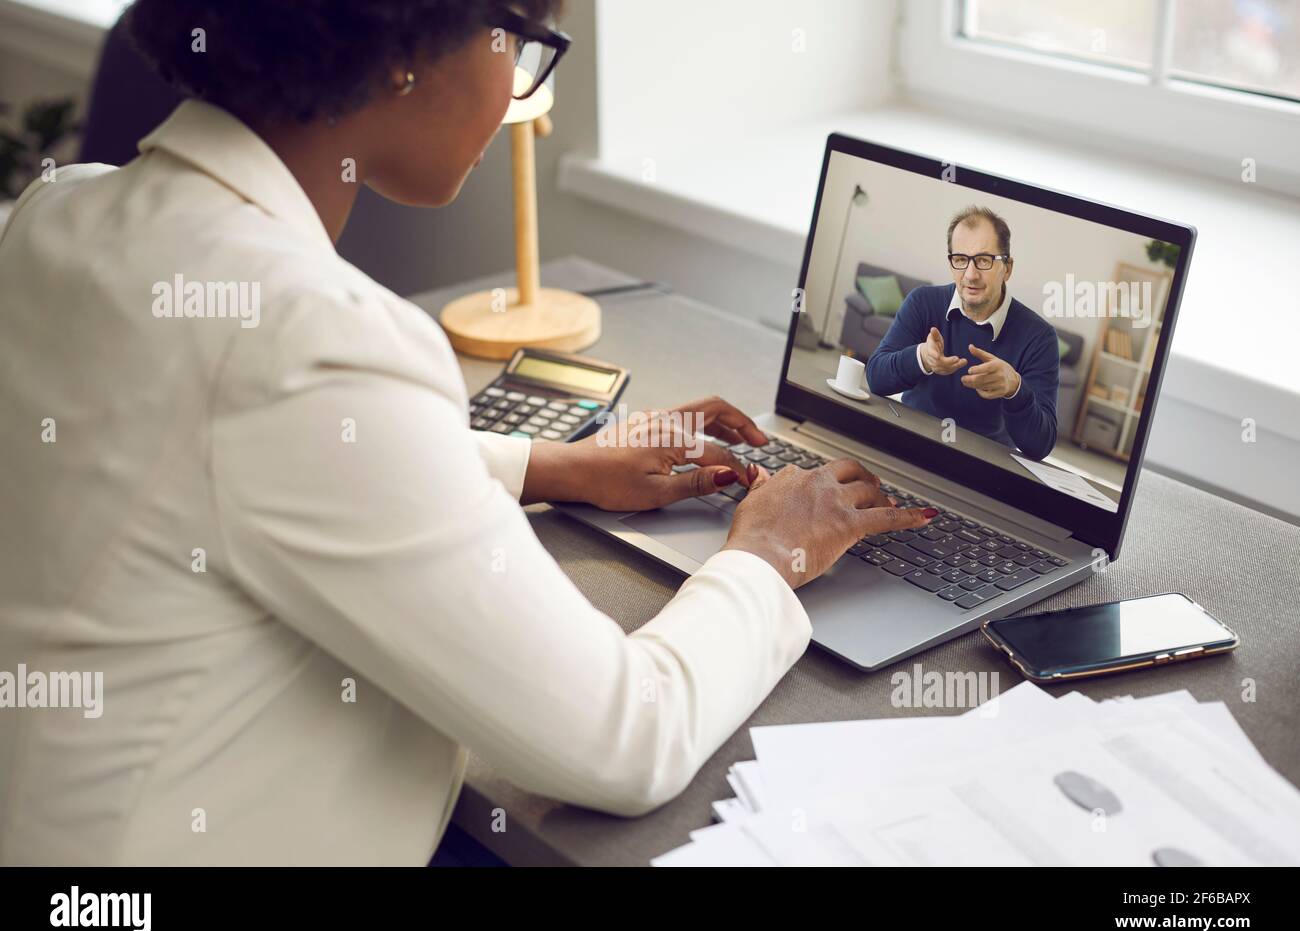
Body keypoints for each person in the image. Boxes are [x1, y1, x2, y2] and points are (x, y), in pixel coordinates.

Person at [0, 0, 935, 865]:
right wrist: (769, 554)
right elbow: (624, 740)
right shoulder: (310, 340)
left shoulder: (65, 209)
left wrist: (552, 465)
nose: (525, 93)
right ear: (408, 48)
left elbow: (236, 457)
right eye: (525, 46)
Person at [865, 206, 1060, 460]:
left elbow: (1041, 445)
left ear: (1007, 268)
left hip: (982, 468)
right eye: (960, 259)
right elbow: (875, 378)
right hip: (909, 447)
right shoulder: (923, 302)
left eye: (983, 260)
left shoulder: (1039, 338)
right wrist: (922, 358)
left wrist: (1015, 389)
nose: (970, 274)